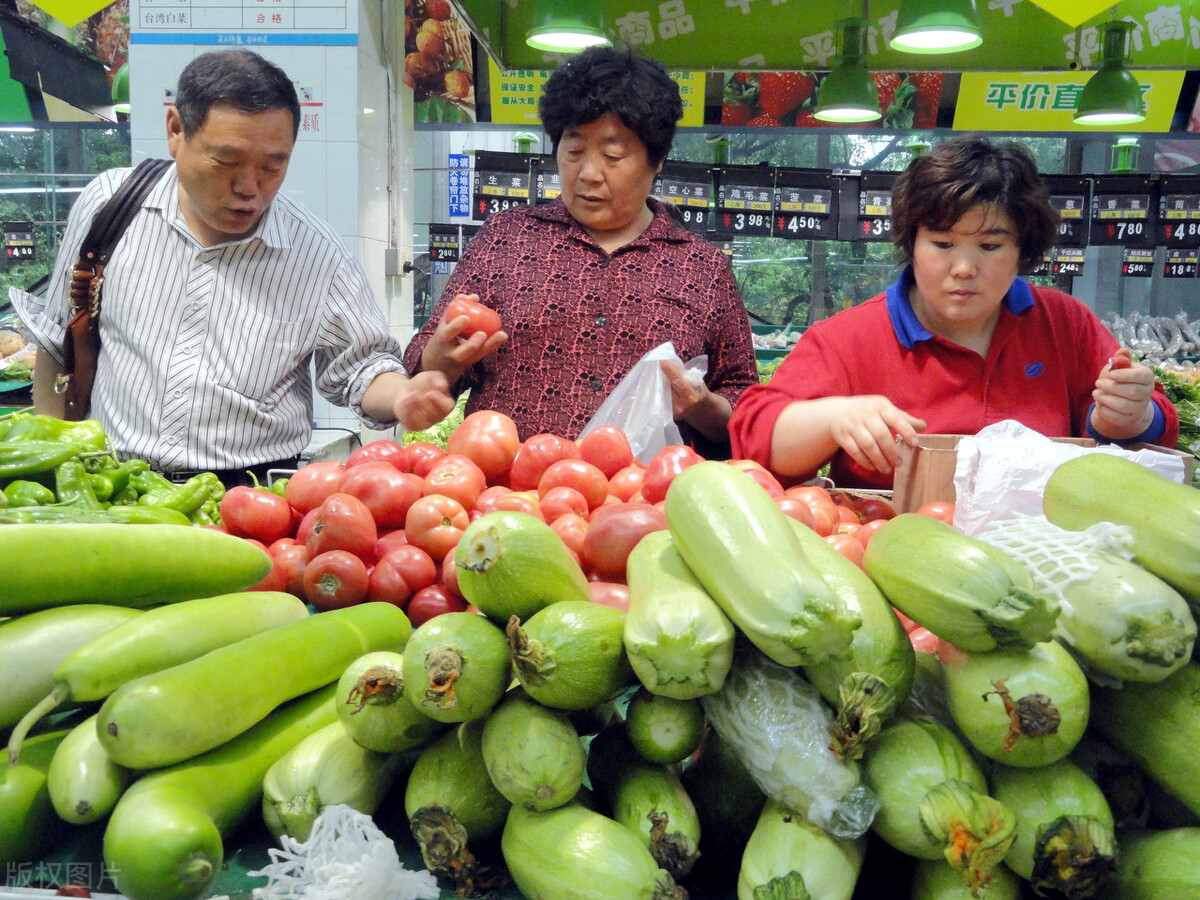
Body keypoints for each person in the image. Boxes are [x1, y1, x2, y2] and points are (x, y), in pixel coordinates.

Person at [12, 49, 454, 485]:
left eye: (272, 166)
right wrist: (52, 465)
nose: (249, 188)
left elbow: (360, 369)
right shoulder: (110, 204)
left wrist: (402, 395)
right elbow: (56, 340)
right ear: (175, 130)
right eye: (226, 162)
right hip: (112, 483)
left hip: (248, 497)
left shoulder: (316, 254)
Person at [729, 134, 1179, 490]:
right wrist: (832, 418)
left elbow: (1155, 426)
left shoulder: (1064, 322)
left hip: (1040, 551)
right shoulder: (848, 338)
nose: (963, 269)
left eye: (990, 246)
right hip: (892, 557)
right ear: (912, 244)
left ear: (1023, 249)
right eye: (942, 244)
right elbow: (755, 437)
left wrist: (1131, 416)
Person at [402, 45, 758, 457]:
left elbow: (745, 404)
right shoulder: (504, 239)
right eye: (573, 151)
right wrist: (441, 360)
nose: (588, 174)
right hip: (506, 496)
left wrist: (702, 406)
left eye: (613, 155)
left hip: (644, 505)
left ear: (657, 160)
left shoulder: (702, 267)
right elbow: (425, 367)